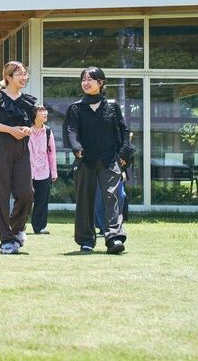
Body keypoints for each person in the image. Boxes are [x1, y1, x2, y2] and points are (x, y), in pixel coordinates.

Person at [64, 66, 133, 254]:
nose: (86, 82)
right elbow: (71, 131)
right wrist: (76, 147)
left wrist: (124, 153)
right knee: (85, 201)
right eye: (83, 79)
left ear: (101, 83)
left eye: (90, 79)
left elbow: (124, 130)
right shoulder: (76, 108)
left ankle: (114, 238)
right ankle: (86, 240)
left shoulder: (112, 106)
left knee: (113, 198)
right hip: (85, 161)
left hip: (110, 160)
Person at [0, 61, 37, 255]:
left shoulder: (27, 101)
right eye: (19, 74)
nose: (24, 77)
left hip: (21, 148)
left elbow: (33, 125)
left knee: (27, 193)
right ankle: (6, 241)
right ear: (8, 77)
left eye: (25, 74)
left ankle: (16, 228)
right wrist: (10, 130)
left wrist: (28, 129)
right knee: (1, 195)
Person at [27, 106, 58, 235]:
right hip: (27, 172)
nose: (45, 114)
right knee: (24, 199)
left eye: (45, 112)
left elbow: (52, 153)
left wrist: (54, 172)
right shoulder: (26, 131)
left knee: (42, 201)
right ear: (34, 115)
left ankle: (39, 227)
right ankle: (18, 225)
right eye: (41, 112)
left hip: (43, 171)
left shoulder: (48, 132)